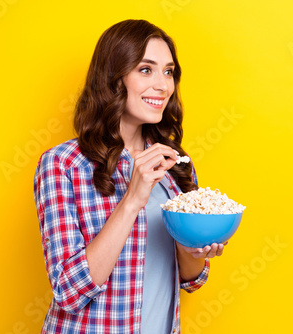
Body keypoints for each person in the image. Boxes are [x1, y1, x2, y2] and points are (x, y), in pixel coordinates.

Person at [33, 19, 226, 334]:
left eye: (169, 71)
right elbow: (68, 292)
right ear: (113, 77)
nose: (163, 85)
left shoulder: (176, 163)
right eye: (146, 69)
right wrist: (133, 198)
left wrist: (194, 248)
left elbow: (192, 280)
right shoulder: (63, 165)